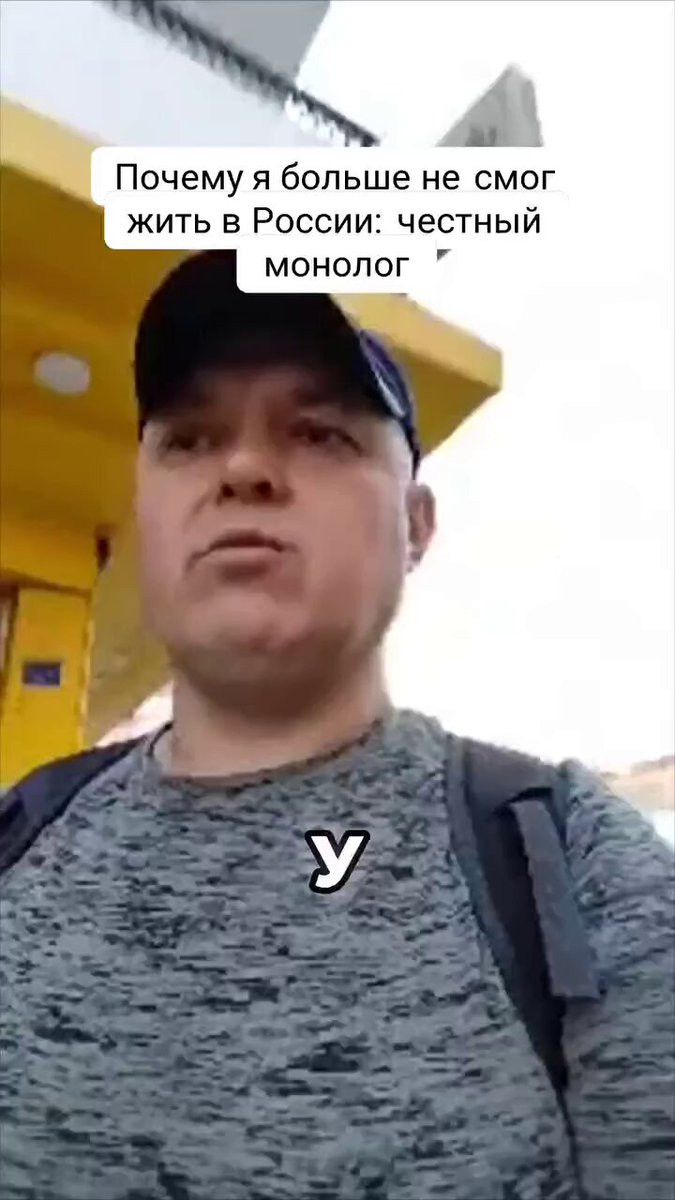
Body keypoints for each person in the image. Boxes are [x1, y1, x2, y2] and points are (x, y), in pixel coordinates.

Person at [1, 251, 673, 1200]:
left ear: (416, 525)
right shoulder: (19, 837)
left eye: (318, 433)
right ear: (143, 514)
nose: (242, 468)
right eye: (188, 439)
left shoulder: (573, 866)